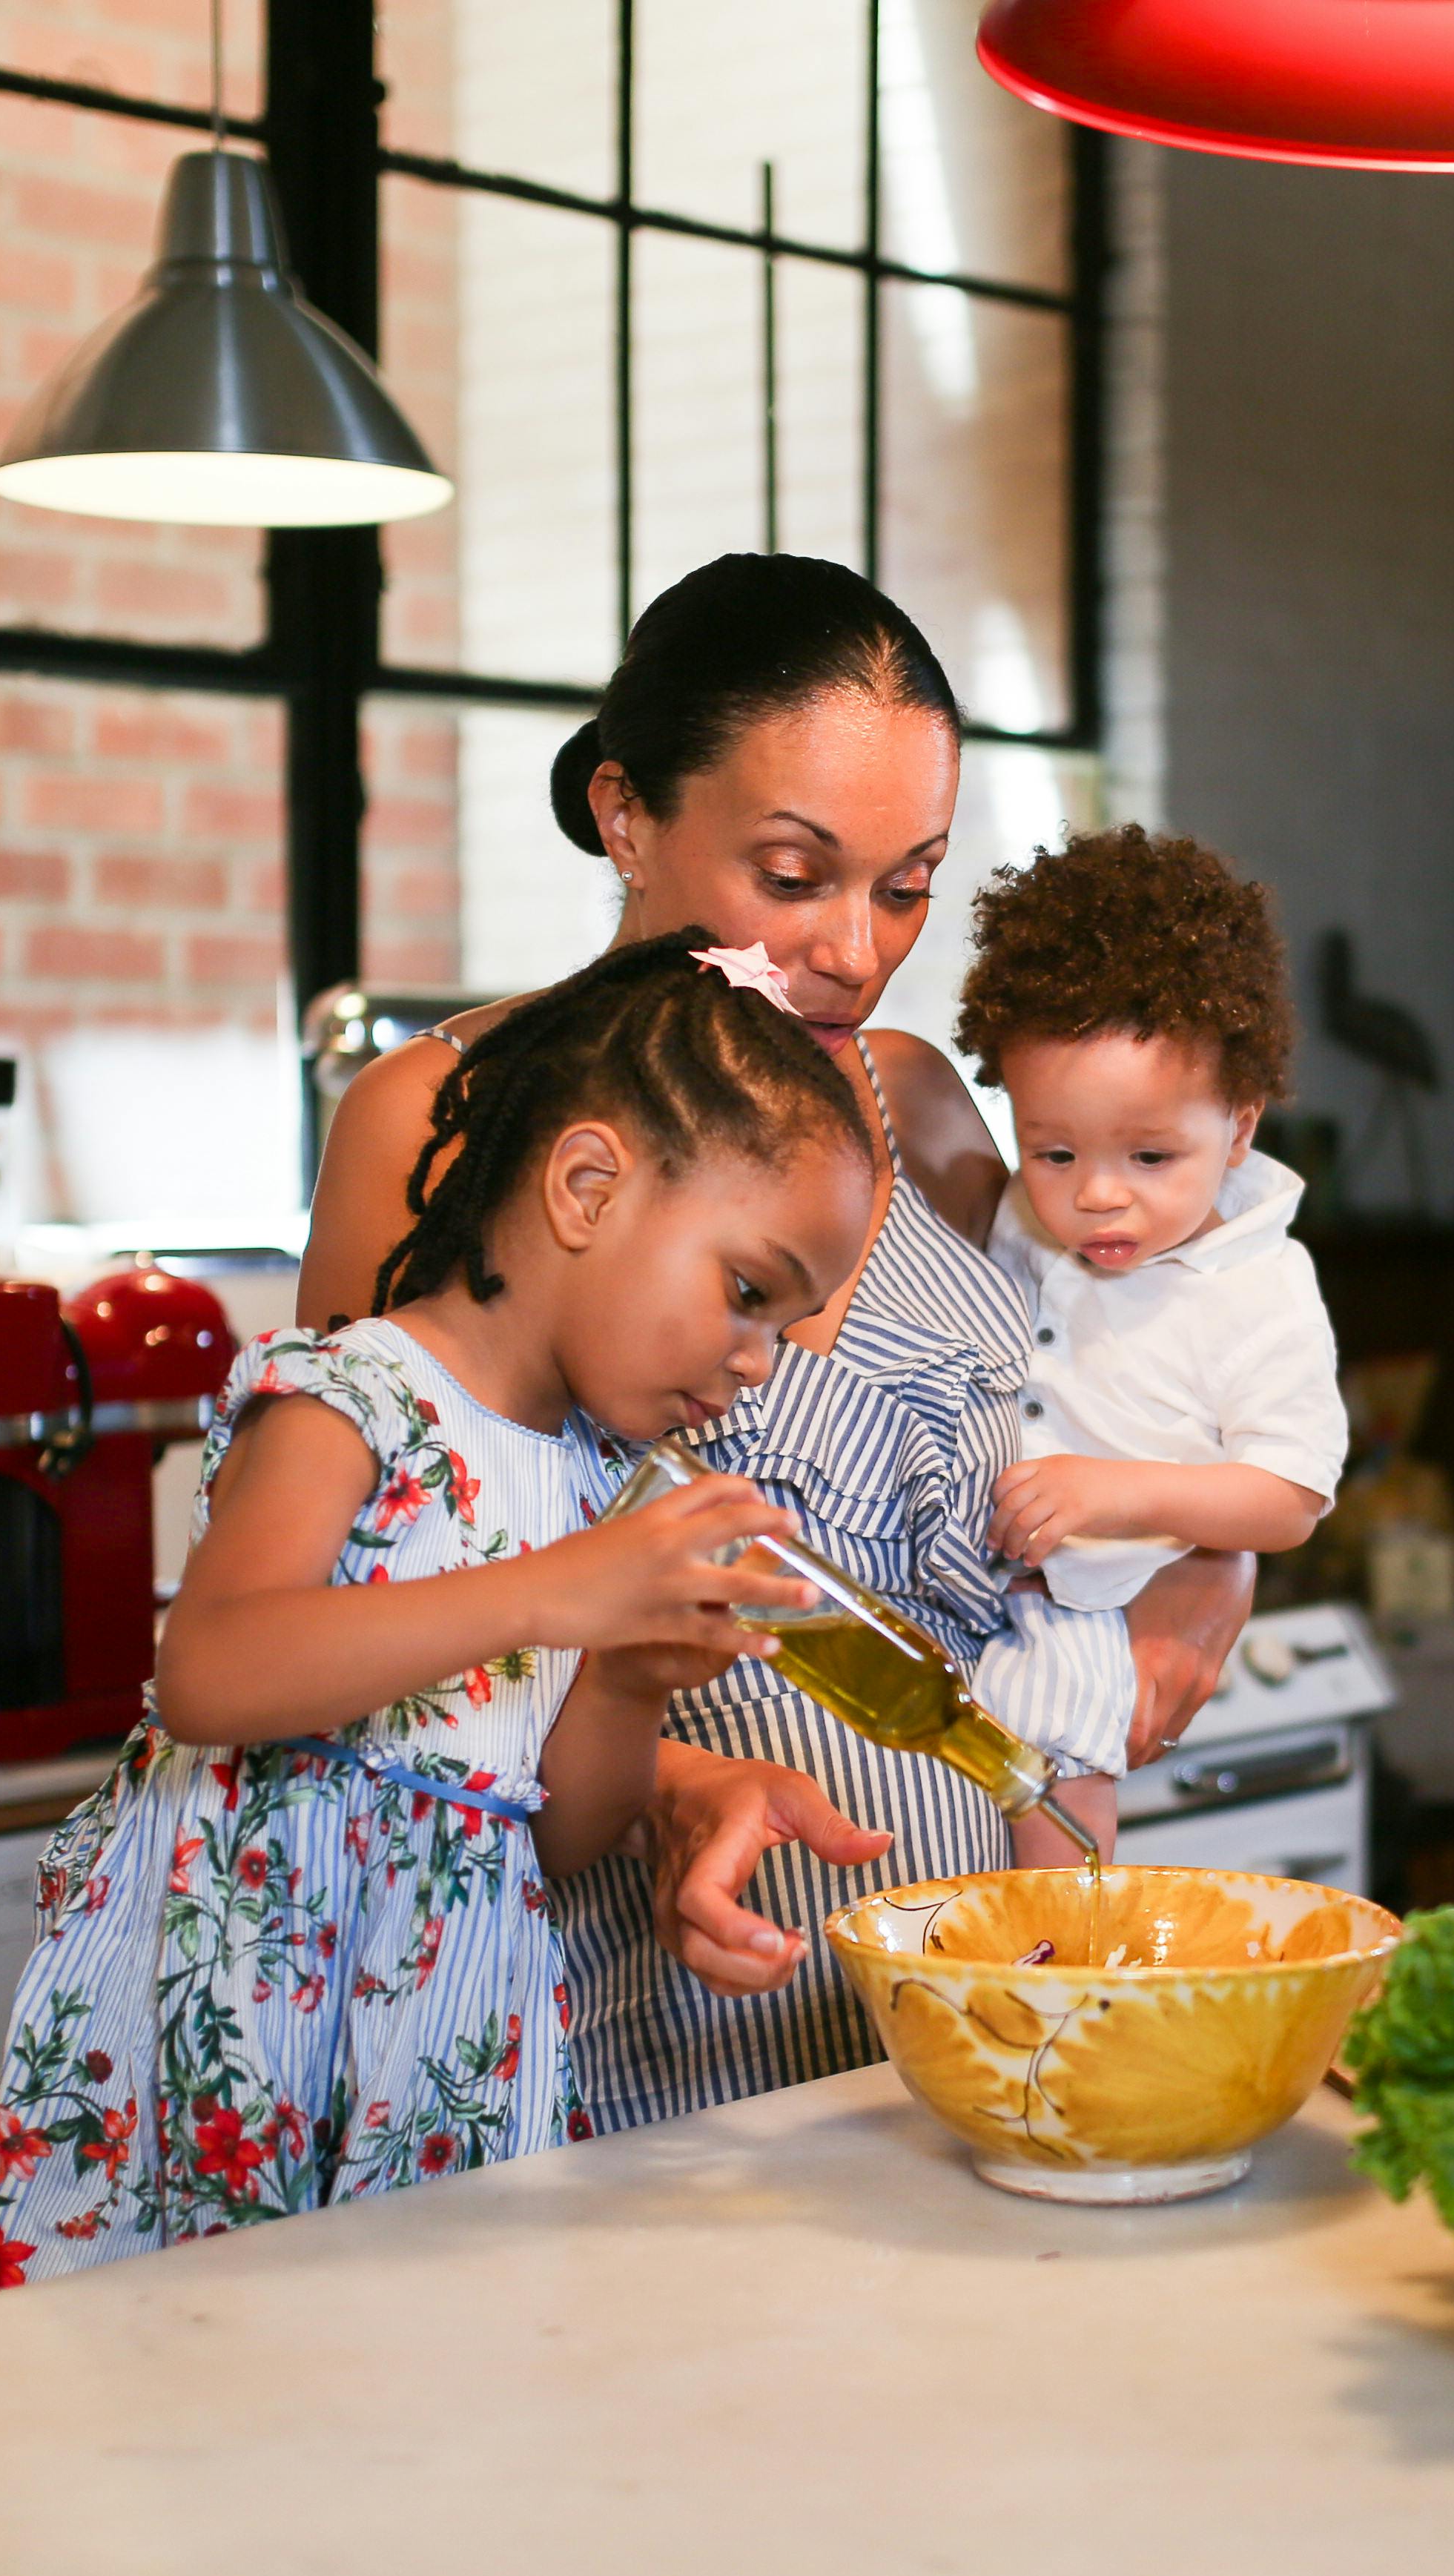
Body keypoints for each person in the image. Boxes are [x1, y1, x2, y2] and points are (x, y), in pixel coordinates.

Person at [295, 554, 1257, 2133]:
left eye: (906, 884)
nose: (858, 952)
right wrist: (672, 1788)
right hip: (636, 1985)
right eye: (795, 874)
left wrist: (1216, 1562)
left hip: (972, 1970)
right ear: (626, 812)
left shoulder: (920, 1101)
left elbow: (1169, 1355)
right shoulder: (443, 1124)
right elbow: (354, 1629)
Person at [0, 934, 876, 2292]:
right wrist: (563, 1591)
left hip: (441, 2026)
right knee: (179, 2395)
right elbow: (209, 1669)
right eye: (746, 1292)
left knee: (417, 2408)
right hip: (238, 2010)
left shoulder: (597, 1486)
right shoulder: (352, 1392)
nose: (753, 1362)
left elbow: (554, 1836)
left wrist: (624, 1678)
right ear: (588, 1185)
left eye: (781, 1330)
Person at [951, 828, 1346, 1858]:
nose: (1097, 1193)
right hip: (964, 1591)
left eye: (1152, 1155)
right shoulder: (1022, 1217)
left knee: (1054, 1867)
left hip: (1094, 1613)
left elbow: (1290, 1495)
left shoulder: (1260, 1288)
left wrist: (1115, 1492)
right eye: (1054, 1150)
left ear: (1241, 1126)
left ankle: (1058, 2002)